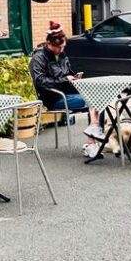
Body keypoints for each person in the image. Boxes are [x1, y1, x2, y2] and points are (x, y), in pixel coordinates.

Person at [30, 21, 104, 158]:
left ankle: (95, 140)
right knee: (93, 101)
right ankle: (91, 143)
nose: (62, 50)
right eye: (60, 47)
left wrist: (75, 78)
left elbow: (67, 73)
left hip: (68, 92)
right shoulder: (38, 58)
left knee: (100, 98)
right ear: (50, 44)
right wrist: (66, 80)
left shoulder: (62, 55)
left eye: (64, 47)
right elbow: (40, 82)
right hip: (54, 98)